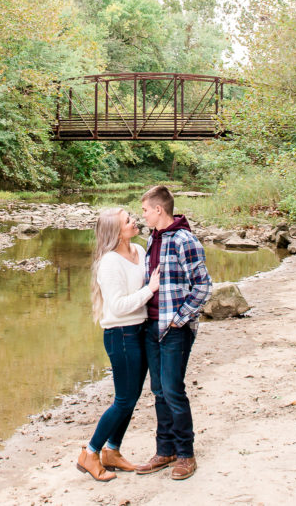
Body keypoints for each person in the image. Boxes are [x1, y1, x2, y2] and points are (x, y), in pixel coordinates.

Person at [77, 207, 161, 482]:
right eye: (128, 220)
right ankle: (90, 453)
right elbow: (119, 306)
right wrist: (150, 290)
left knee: (132, 397)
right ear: (115, 231)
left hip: (139, 331)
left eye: (132, 217)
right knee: (124, 400)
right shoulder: (109, 262)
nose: (134, 221)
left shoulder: (138, 249)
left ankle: (112, 451)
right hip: (121, 334)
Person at [135, 185, 212, 480]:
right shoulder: (153, 239)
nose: (142, 215)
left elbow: (203, 286)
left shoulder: (184, 240)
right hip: (150, 326)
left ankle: (185, 454)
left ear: (158, 210)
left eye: (144, 210)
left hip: (174, 328)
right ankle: (164, 450)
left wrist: (179, 320)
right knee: (157, 391)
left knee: (172, 390)